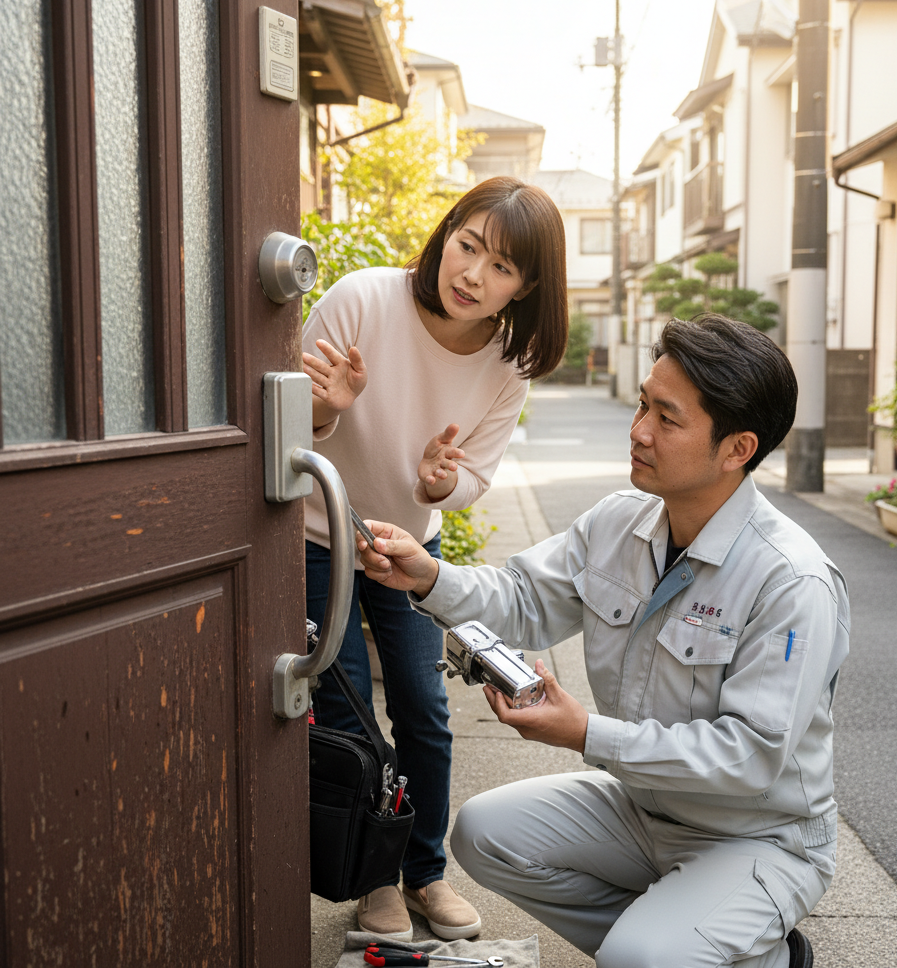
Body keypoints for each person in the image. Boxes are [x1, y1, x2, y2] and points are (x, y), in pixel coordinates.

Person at [354, 314, 850, 968]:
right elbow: (524, 599)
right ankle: (684, 940)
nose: (639, 430)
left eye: (667, 420)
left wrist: (586, 732)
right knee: (483, 835)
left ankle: (749, 952)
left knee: (638, 958)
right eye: (644, 404)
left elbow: (750, 758)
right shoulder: (621, 522)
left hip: (759, 836)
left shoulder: (793, 582)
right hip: (644, 809)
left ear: (738, 448)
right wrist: (429, 575)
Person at [301, 177, 568, 942]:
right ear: (445, 234)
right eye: (468, 244)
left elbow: (470, 478)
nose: (473, 274)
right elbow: (282, 419)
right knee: (350, 712)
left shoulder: (508, 362)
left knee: (425, 707)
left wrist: (438, 485)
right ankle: (372, 882)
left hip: (410, 549)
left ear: (527, 288)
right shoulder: (363, 301)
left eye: (502, 267)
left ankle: (424, 874)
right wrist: (331, 407)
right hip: (320, 541)